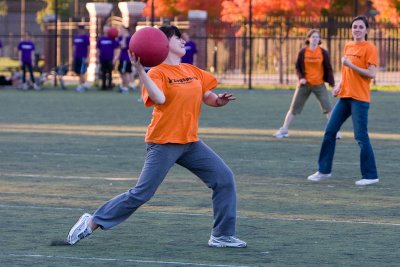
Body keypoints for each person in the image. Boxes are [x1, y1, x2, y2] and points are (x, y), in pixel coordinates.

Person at [67, 25, 247, 248]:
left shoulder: (192, 70)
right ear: (163, 43)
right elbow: (159, 98)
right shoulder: (157, 73)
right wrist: (141, 72)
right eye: (177, 37)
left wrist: (219, 101)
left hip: (190, 142)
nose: (183, 41)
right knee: (141, 193)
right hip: (163, 142)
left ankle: (222, 235)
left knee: (224, 179)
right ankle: (92, 222)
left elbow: (207, 96)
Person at [307, 16, 379, 186]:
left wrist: (350, 64)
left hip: (359, 99)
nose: (357, 29)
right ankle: (324, 171)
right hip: (345, 97)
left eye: (361, 27)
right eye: (355, 26)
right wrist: (339, 86)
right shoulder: (348, 45)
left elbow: (371, 73)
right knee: (330, 131)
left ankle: (370, 175)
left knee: (361, 136)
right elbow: (346, 72)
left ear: (366, 30)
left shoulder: (370, 48)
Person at [273, 29, 341, 139]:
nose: (315, 39)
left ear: (319, 39)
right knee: (293, 108)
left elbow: (328, 68)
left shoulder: (323, 52)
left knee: (328, 108)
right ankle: (284, 130)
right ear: (308, 38)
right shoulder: (303, 52)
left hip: (319, 84)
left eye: (317, 37)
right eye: (313, 37)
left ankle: (335, 131)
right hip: (304, 85)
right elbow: (298, 67)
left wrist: (332, 83)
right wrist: (301, 78)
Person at [96, 25, 119, 90]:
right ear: (103, 30)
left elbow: (116, 49)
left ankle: (109, 85)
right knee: (103, 72)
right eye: (105, 29)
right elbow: (98, 49)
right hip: (102, 58)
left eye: (107, 29)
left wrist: (115, 58)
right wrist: (97, 57)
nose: (106, 30)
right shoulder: (101, 39)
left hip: (110, 58)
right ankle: (103, 86)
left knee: (109, 72)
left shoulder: (112, 39)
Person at [73, 23, 90, 92]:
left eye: (81, 28)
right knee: (77, 71)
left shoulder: (86, 37)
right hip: (76, 56)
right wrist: (72, 55)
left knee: (81, 71)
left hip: (83, 56)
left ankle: (80, 86)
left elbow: (88, 48)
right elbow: (74, 46)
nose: (80, 30)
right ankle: (85, 83)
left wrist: (87, 57)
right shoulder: (76, 36)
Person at [116, 27, 132, 94]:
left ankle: (126, 87)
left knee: (125, 73)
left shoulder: (128, 38)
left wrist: (124, 37)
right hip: (121, 58)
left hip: (126, 58)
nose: (120, 31)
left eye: (122, 30)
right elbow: (118, 46)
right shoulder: (120, 37)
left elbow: (123, 46)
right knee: (121, 72)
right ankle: (123, 86)